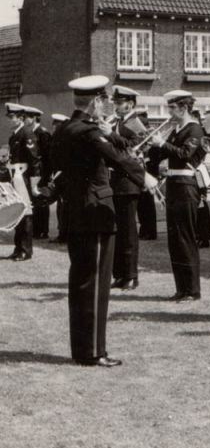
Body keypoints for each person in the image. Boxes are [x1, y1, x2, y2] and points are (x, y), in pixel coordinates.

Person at [50, 75, 157, 366]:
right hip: (96, 214)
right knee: (96, 284)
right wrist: (145, 177)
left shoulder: (64, 130)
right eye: (103, 101)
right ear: (96, 101)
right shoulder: (88, 131)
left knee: (81, 281)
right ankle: (94, 352)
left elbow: (61, 173)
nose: (105, 106)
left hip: (75, 212)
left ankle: (82, 349)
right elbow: (117, 159)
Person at [148, 90, 206, 302]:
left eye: (173, 108)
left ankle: (192, 289)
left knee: (186, 238)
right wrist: (153, 146)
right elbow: (163, 154)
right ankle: (181, 288)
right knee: (174, 240)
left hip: (186, 185)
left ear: (184, 108)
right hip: (173, 185)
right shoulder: (177, 129)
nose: (169, 112)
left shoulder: (195, 130)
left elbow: (184, 154)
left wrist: (162, 143)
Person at [102, 86, 144, 291]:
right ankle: (119, 274)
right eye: (115, 103)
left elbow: (134, 147)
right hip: (115, 181)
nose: (116, 106)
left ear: (131, 104)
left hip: (128, 182)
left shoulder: (135, 122)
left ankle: (130, 275)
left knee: (127, 232)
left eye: (120, 103)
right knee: (117, 230)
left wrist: (109, 134)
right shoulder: (117, 122)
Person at [5, 103, 40, 261]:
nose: (10, 120)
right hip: (15, 176)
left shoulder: (27, 133)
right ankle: (18, 247)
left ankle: (26, 249)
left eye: (12, 117)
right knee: (17, 211)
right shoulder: (14, 136)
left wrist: (34, 182)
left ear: (20, 118)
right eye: (10, 117)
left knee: (25, 213)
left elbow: (34, 160)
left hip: (23, 178)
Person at [27, 110, 51, 239]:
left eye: (27, 117)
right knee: (35, 201)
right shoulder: (32, 133)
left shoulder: (42, 133)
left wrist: (46, 175)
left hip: (42, 172)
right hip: (35, 171)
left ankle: (43, 230)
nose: (25, 120)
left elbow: (47, 157)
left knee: (41, 201)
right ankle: (37, 229)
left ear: (34, 118)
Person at [192, 109, 210, 249]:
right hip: (192, 171)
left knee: (201, 203)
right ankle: (198, 234)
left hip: (198, 171)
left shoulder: (201, 135)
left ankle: (204, 236)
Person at [49, 113, 70, 243]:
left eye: (57, 125)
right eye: (54, 125)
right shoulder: (55, 138)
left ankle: (65, 234)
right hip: (58, 175)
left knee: (65, 205)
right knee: (60, 206)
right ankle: (61, 232)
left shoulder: (66, 140)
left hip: (64, 176)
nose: (54, 128)